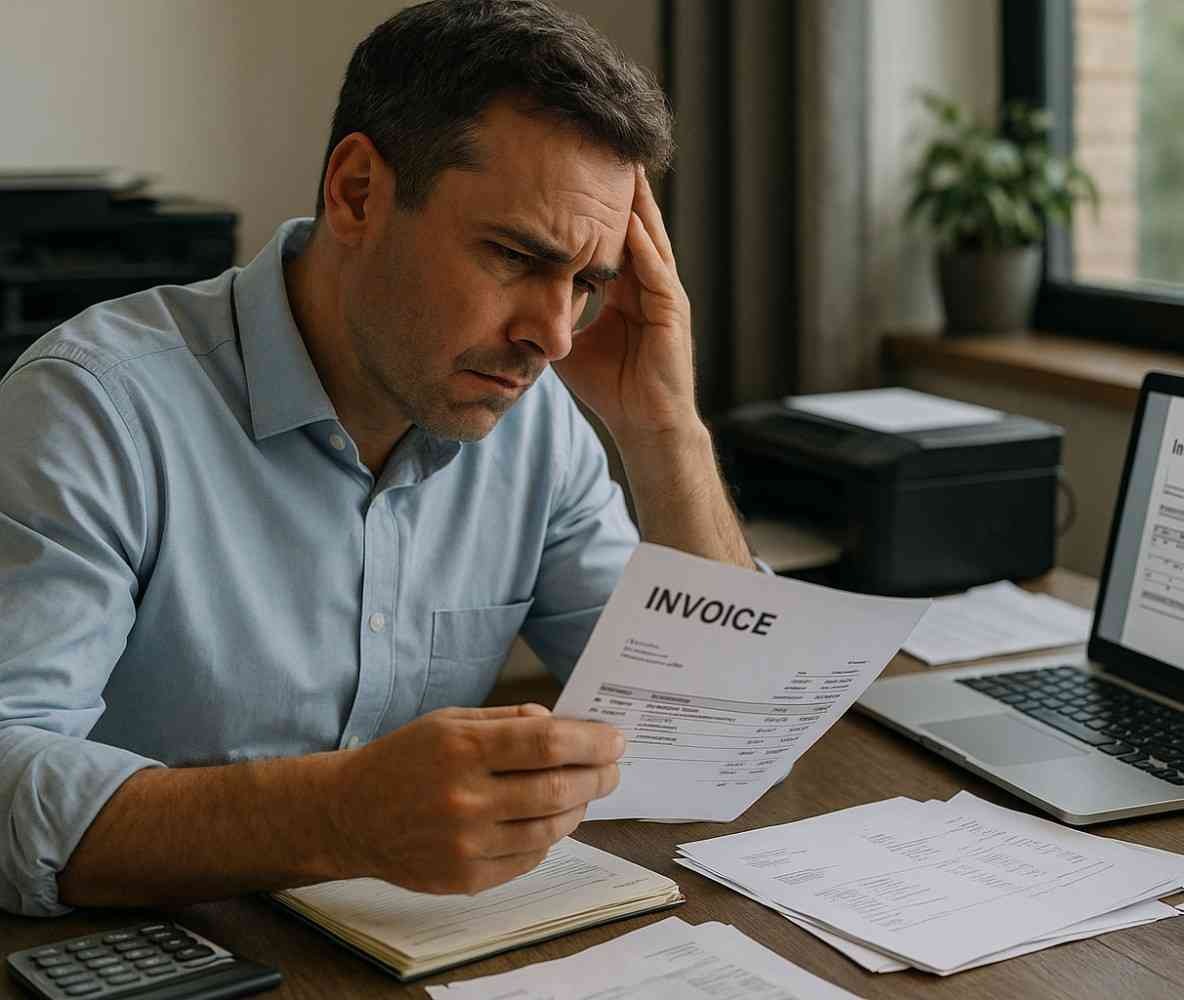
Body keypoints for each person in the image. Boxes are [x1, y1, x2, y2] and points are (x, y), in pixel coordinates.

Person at [0, 0, 755, 917]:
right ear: (357, 193)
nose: (555, 336)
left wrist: (668, 428)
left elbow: (715, 725)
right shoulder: (92, 408)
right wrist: (338, 815)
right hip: (149, 950)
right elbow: (7, 771)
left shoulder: (538, 424)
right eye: (517, 256)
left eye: (587, 284)